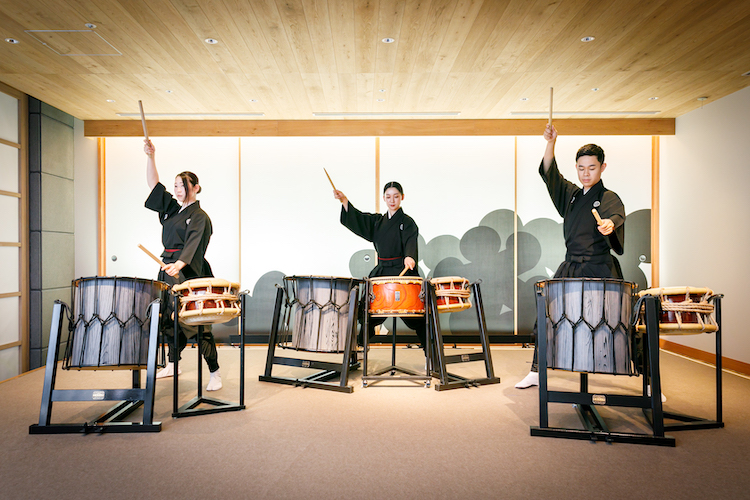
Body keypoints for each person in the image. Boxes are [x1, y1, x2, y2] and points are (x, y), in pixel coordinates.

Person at [515, 124, 625, 389]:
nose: (586, 173)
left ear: (603, 168)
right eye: (581, 168)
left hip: (600, 267)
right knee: (547, 316)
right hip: (571, 267)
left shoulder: (609, 197)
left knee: (620, 323)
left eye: (592, 168)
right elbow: (550, 173)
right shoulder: (573, 197)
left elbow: (615, 216)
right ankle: (536, 370)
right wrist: (551, 142)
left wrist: (610, 224)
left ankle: (648, 381)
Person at [144, 139, 222, 391]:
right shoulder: (172, 210)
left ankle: (214, 372)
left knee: (198, 321)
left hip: (190, 271)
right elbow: (154, 185)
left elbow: (195, 244)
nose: (178, 189)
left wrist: (179, 264)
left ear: (196, 187)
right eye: (176, 185)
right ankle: (172, 364)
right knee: (168, 317)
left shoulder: (200, 217)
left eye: (183, 185)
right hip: (167, 269)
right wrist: (151, 157)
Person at [333, 181, 427, 352]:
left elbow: (410, 241)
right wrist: (345, 201)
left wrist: (410, 256)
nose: (392, 200)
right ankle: (358, 351)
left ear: (402, 198)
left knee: (417, 315)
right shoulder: (377, 222)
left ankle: (432, 353)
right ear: (384, 198)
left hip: (402, 271)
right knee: (369, 314)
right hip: (382, 272)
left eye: (396, 196)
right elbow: (359, 219)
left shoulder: (407, 222)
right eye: (388, 197)